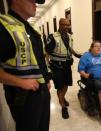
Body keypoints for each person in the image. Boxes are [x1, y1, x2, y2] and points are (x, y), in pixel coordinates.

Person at [0, 0, 51, 131]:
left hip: (42, 91)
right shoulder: (4, 26)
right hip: (24, 97)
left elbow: (38, 57)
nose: (36, 4)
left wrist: (46, 79)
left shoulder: (29, 27)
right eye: (32, 0)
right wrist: (20, 82)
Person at [45, 18, 81, 119]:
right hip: (56, 66)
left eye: (68, 25)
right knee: (60, 86)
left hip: (67, 65)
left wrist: (76, 54)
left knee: (66, 84)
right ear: (59, 25)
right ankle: (63, 106)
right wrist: (48, 66)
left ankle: (62, 98)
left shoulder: (69, 36)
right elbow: (47, 52)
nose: (66, 27)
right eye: (64, 25)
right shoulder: (52, 37)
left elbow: (69, 48)